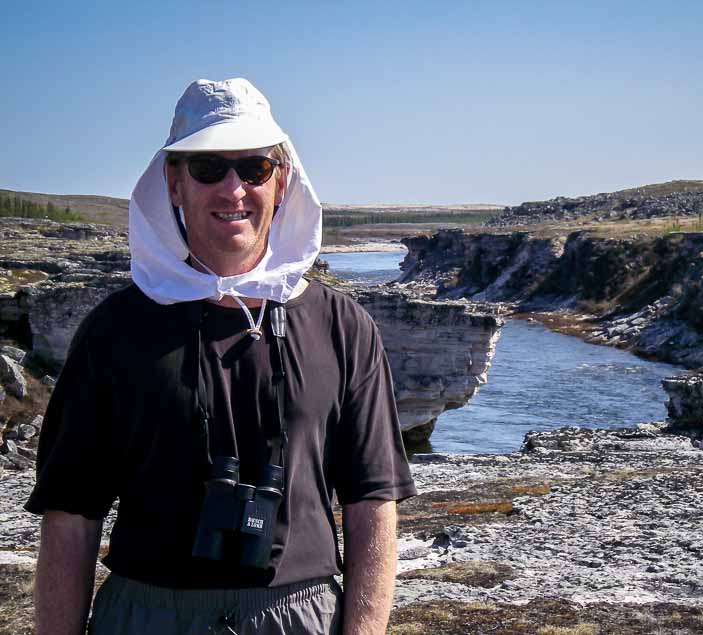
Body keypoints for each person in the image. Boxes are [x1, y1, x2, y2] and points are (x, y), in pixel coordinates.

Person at [25, 77, 417, 635]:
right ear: (174, 183)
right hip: (148, 616)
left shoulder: (342, 326)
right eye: (209, 167)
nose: (233, 189)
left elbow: (372, 503)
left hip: (300, 617)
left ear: (281, 181)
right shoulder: (113, 331)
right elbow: (71, 516)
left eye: (253, 167)